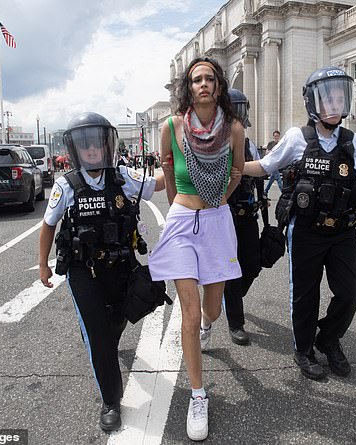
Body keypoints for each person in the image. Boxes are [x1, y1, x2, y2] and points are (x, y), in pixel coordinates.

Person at [243, 66, 356, 380]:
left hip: (342, 232)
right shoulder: (298, 138)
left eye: (340, 97)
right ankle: (304, 349)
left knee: (352, 291)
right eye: (328, 98)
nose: (335, 105)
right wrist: (229, 165)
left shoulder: (353, 142)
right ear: (313, 103)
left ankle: (329, 337)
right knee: (305, 294)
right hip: (306, 232)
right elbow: (265, 166)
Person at [38, 112, 165, 432]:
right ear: (75, 150)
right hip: (84, 270)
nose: (92, 151)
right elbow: (48, 225)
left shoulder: (124, 177)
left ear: (107, 146)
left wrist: (178, 159)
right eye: (85, 146)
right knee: (100, 337)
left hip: (121, 265)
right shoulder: (66, 185)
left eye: (97, 145)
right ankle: (111, 400)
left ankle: (103, 334)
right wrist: (43, 265)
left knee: (119, 318)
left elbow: (157, 184)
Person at [148, 56, 245, 441]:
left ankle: (208, 325)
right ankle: (198, 394)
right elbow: (169, 172)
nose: (202, 85)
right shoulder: (171, 126)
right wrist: (177, 207)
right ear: (188, 89)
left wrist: (221, 197)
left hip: (218, 222)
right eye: (196, 80)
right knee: (188, 314)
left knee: (212, 309)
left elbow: (237, 171)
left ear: (218, 87)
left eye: (209, 79)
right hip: (182, 220)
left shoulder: (235, 129)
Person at [222, 88, 268, 346]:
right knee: (232, 269)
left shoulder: (250, 145)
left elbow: (260, 174)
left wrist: (263, 204)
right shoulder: (216, 145)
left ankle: (231, 298)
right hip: (225, 215)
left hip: (248, 213)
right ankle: (235, 322)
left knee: (252, 264)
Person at [264, 130, 283, 195]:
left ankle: (265, 191)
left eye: (277, 136)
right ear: (273, 136)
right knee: (278, 178)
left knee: (272, 179)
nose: (276, 137)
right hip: (272, 162)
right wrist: (272, 152)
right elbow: (266, 152)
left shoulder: (281, 144)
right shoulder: (270, 143)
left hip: (277, 162)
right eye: (275, 136)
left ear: (279, 136)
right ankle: (283, 192)